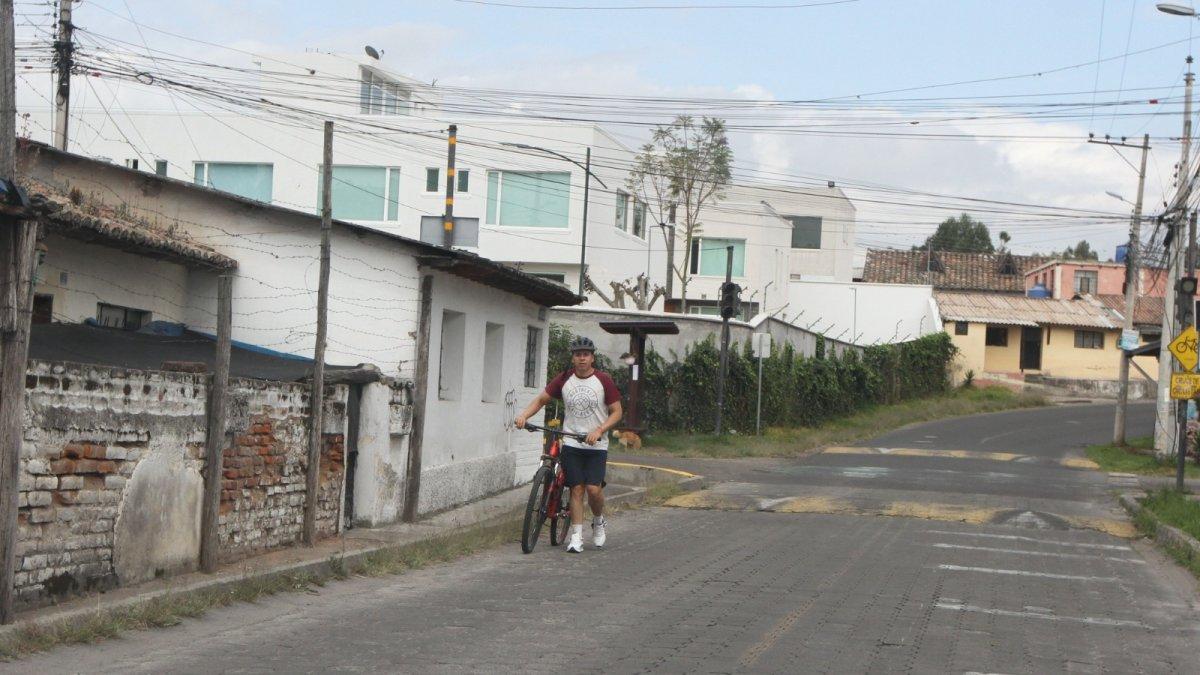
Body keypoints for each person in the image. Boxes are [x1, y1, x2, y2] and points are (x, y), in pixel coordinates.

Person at [515, 335, 622, 553]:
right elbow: (541, 399)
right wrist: (524, 416)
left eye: (586, 355)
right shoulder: (564, 379)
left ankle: (599, 520)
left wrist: (599, 430)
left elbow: (617, 411)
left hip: (596, 445)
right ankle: (576, 537)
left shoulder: (603, 381)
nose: (582, 359)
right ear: (573, 359)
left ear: (592, 358)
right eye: (577, 355)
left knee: (593, 490)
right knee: (576, 489)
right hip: (572, 442)